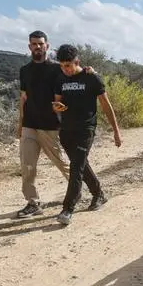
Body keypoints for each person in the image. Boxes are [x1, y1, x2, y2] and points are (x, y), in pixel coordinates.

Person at [16, 30, 94, 219]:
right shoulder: (24, 70)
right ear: (29, 47)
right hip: (29, 125)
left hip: (51, 127)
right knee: (27, 166)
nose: (38, 47)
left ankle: (76, 192)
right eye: (34, 44)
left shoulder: (56, 69)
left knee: (64, 165)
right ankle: (33, 203)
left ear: (47, 46)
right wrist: (19, 124)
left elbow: (73, 75)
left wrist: (89, 71)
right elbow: (23, 98)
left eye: (41, 44)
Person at [51, 43, 122, 226]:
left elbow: (106, 105)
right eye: (62, 65)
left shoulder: (92, 78)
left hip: (85, 129)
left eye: (68, 65)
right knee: (80, 164)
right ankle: (99, 194)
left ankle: (68, 209)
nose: (65, 69)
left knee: (76, 168)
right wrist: (57, 108)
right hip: (66, 131)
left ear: (77, 61)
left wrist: (116, 131)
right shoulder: (60, 79)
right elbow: (56, 103)